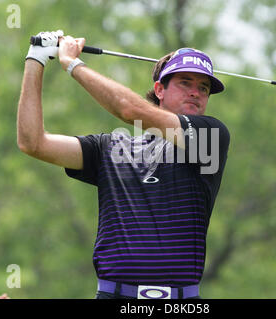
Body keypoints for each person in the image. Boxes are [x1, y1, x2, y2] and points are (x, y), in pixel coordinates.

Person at [17, 30, 230, 299]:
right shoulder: (110, 148)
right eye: (185, 82)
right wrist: (35, 60)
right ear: (159, 90)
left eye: (204, 88)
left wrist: (72, 64)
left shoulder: (210, 138)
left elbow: (130, 111)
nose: (196, 93)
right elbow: (32, 142)